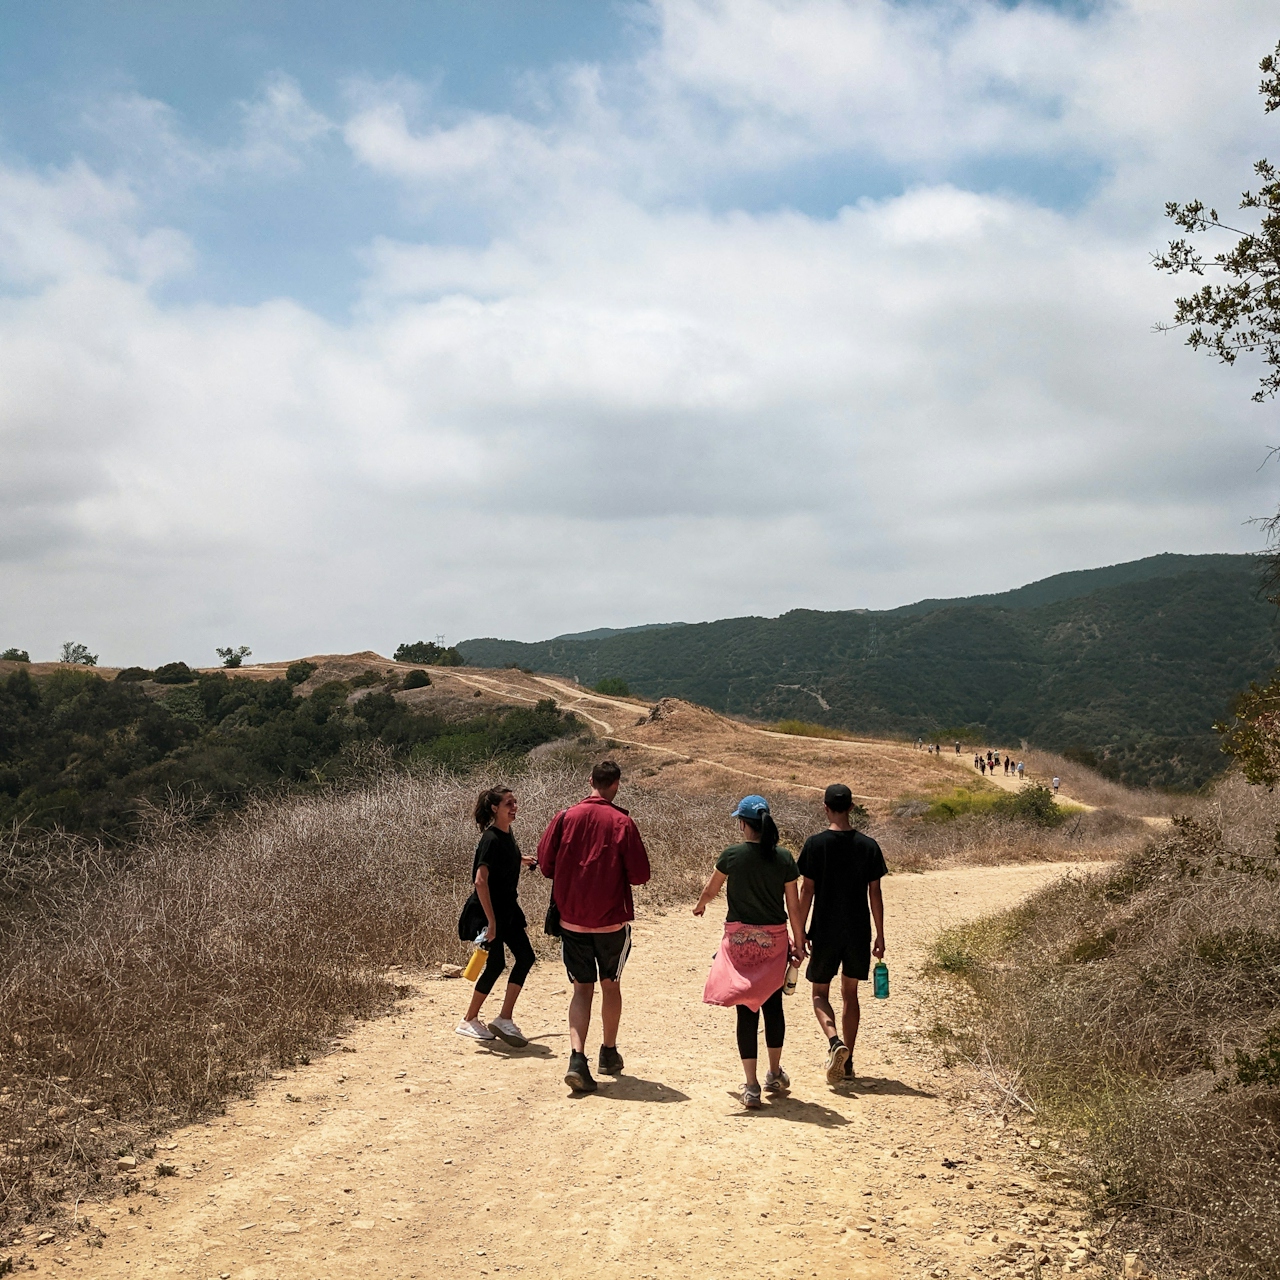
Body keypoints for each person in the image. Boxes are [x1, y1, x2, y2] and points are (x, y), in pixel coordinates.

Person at [538, 760, 651, 1094]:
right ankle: (609, 1053)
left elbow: (545, 865)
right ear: (616, 784)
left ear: (590, 781)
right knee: (610, 985)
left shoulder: (564, 817)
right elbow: (640, 875)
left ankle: (577, 1059)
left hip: (571, 920)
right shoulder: (622, 822)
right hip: (610, 923)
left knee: (581, 989)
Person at [694, 795, 807, 1110]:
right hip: (774, 942)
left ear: (743, 824)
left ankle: (752, 1086)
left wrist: (700, 906)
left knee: (745, 1010)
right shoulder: (783, 858)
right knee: (773, 1008)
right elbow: (793, 907)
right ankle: (773, 1073)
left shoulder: (732, 856)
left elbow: (711, 890)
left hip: (739, 943)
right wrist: (799, 943)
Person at [798, 784, 887, 1084]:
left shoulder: (814, 844)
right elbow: (875, 893)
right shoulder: (869, 846)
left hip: (824, 929)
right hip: (858, 930)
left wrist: (799, 931)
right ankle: (848, 1064)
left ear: (825, 807)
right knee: (850, 994)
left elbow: (807, 890)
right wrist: (880, 934)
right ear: (851, 808)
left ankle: (835, 1041)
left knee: (819, 993)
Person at [456, 787, 538, 1047]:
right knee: (495, 964)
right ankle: (469, 1019)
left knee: (525, 957)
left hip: (507, 911)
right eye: (508, 803)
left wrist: (521, 859)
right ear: (495, 808)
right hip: (487, 912)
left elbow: (504, 858)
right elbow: (481, 881)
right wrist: (490, 923)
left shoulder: (506, 834)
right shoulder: (490, 839)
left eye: (515, 802)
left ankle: (505, 1018)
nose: (514, 807)